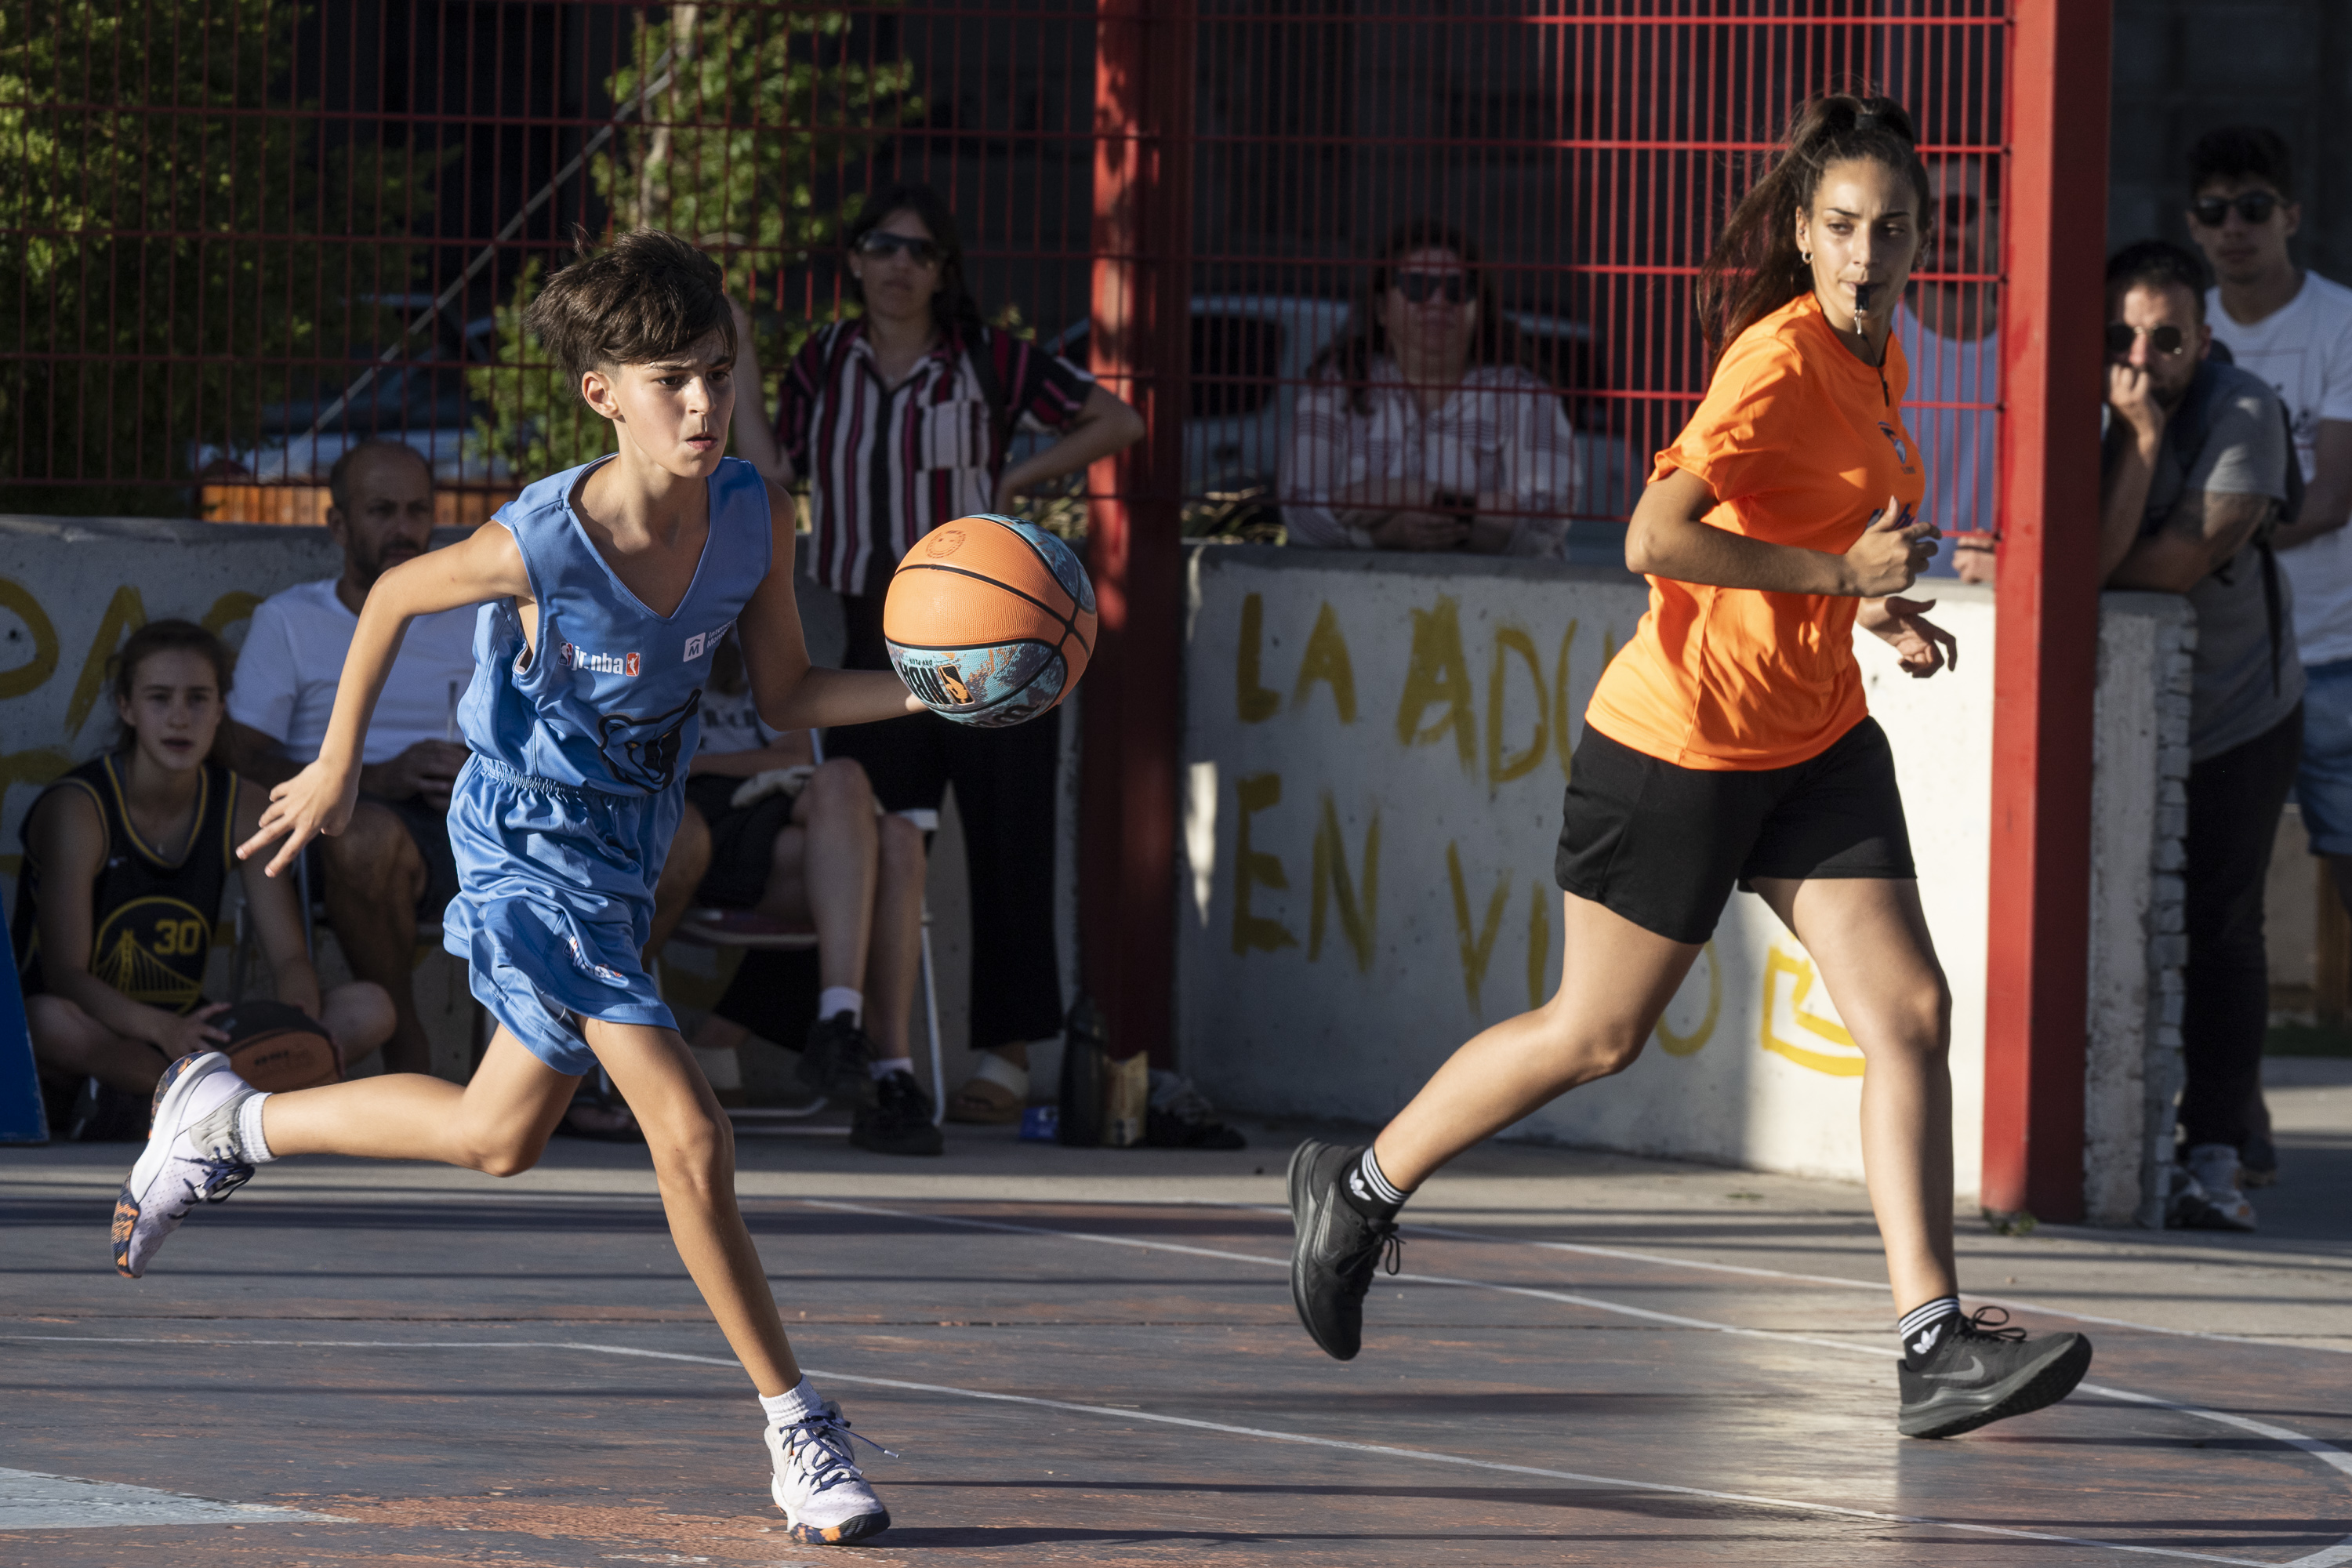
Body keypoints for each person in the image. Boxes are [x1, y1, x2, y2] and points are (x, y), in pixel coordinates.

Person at [1285, 94, 2093, 1442]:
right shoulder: (1775, 362)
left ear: (1921, 240)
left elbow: (1805, 527)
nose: (1866, 251)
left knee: (1910, 1012)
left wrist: (1860, 608)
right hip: (1684, 746)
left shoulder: (1876, 354)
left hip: (1816, 735)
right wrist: (1841, 573)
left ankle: (1931, 1342)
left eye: (1892, 229)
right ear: (1802, 230)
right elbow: (1654, 539)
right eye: (1840, 227)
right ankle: (1357, 1188)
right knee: (1597, 1035)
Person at [111, 230, 929, 1545]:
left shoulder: (749, 516)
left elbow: (786, 697)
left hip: (619, 856)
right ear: (604, 391)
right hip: (523, 854)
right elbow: (386, 607)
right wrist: (331, 772)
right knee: (692, 1132)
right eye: (675, 379)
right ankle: (797, 1428)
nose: (707, 404)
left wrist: (932, 687)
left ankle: (228, 1122)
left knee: (500, 1137)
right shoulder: (544, 539)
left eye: (719, 372)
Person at [727, 181, 1143, 1124]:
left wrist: (1009, 475)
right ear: (856, 261)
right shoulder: (823, 359)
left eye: (918, 251)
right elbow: (775, 466)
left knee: (1007, 843)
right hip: (875, 627)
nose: (898, 265)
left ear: (943, 270)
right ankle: (861, 1050)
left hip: (1000, 634)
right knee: (877, 834)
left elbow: (1118, 419)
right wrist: (744, 360)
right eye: (881, 245)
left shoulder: (989, 357)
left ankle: (1005, 1055)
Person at [2099, 238, 2302, 1232]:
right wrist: (2133, 442)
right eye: (2124, 333)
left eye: (2166, 336)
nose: (2141, 355)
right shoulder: (2084, 397)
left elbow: (2166, 565)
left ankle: (2214, 1152)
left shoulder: (2246, 409)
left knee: (2221, 930)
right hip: (2102, 717)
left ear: (2204, 340)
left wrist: (2133, 448)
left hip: (2236, 713)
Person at [13, 620, 393, 1106]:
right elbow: (66, 976)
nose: (179, 717)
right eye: (159, 698)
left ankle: (161, 1102)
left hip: (191, 1034)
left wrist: (301, 1031)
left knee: (370, 1008)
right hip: (108, 1027)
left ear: (220, 709)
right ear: (126, 708)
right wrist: (162, 1028)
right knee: (46, 1021)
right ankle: (218, 1101)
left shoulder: (241, 805)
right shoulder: (82, 808)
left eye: (197, 698)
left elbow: (290, 958)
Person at [2183, 126, 2352, 1190]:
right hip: (2224, 665)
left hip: (2336, 653)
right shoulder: (2179, 328)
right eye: (2213, 212)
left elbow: (2333, 494)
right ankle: (2235, 1125)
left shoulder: (2337, 321)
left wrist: (2217, 536)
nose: (2234, 229)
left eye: (2253, 206)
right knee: (2223, 908)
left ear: (2290, 214)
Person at [224, 439, 479, 1077]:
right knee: (364, 834)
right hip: (351, 824)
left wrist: (484, 768)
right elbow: (237, 755)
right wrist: (373, 776)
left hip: (476, 813)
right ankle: (407, 1047)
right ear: (337, 523)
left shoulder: (477, 614)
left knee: (657, 840)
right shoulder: (290, 620)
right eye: (381, 510)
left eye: (418, 511)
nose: (404, 529)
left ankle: (560, 1071)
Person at [651, 633, 938, 1156]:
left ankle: (856, 1035)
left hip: (772, 815)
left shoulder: (755, 647)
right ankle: (885, 1068)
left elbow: (795, 752)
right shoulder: (659, 645)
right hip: (696, 825)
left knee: (889, 827)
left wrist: (717, 761)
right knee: (864, 808)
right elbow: (665, 763)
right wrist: (727, 764)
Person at [1280, 220, 1581, 554]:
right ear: (1381, 309)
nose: (1439, 301)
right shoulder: (1338, 387)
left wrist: (1412, 494)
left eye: (1458, 289)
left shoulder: (1524, 396)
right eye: (1417, 285)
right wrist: (1387, 534)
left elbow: (1545, 518)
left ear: (1478, 308)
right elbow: (1299, 509)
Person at [1893, 154, 1999, 583]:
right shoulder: (1862, 344)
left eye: (1958, 210)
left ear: (2002, 219)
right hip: (1870, 606)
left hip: (1990, 605)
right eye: (1925, 214)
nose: (1940, 229)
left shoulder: (2034, 354)